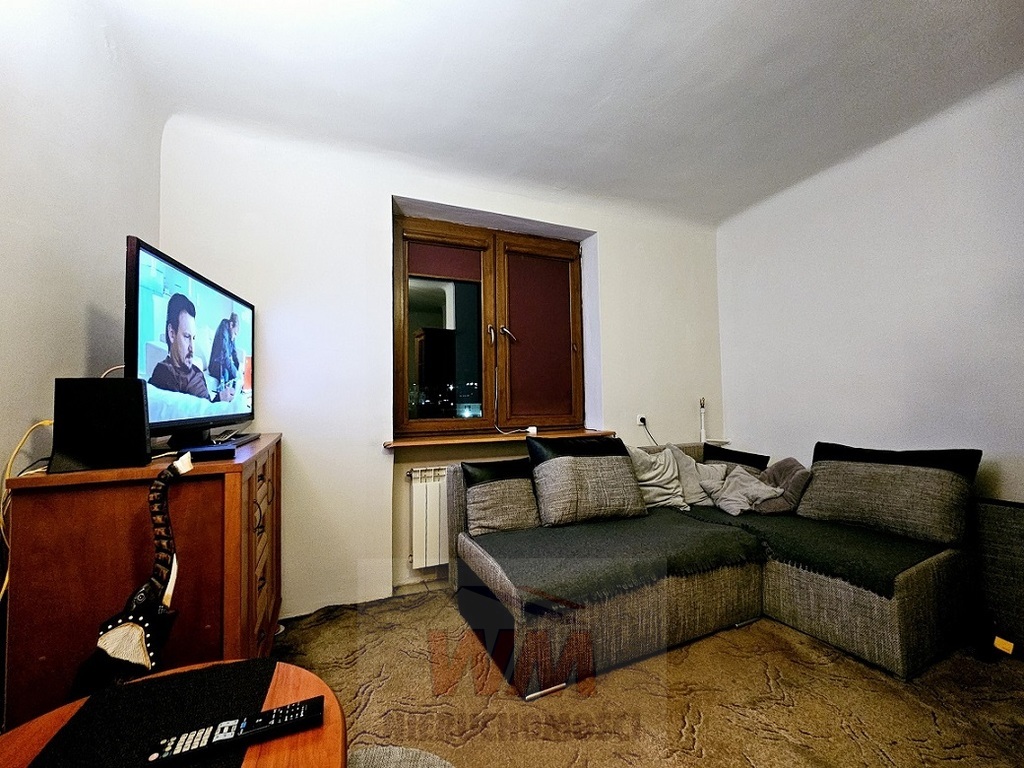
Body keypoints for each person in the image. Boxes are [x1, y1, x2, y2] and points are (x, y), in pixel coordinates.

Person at [149, 293, 235, 403]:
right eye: (186, 336)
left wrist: (219, 399)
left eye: (193, 338)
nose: (192, 348)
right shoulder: (164, 374)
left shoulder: (197, 372)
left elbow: (206, 408)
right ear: (172, 334)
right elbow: (186, 411)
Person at [208, 312, 240, 386]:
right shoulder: (223, 330)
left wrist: (238, 368)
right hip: (215, 365)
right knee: (226, 373)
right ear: (231, 325)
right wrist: (235, 372)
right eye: (235, 333)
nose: (234, 337)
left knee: (232, 373)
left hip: (223, 364)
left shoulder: (231, 333)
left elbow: (234, 353)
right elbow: (225, 356)